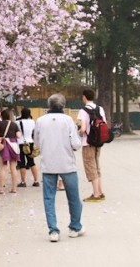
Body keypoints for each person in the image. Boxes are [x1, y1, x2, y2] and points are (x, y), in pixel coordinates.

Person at [34, 93, 84, 242]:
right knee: (73, 197)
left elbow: (37, 142)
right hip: (67, 163)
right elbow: (76, 144)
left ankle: (53, 231)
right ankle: (75, 227)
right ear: (63, 105)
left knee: (49, 198)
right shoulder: (68, 120)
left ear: (49, 105)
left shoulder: (40, 121)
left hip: (48, 163)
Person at [77, 88, 107, 202]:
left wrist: (79, 131)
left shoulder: (83, 110)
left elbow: (83, 128)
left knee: (90, 167)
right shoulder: (100, 108)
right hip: (98, 141)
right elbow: (104, 123)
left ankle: (95, 194)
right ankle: (100, 191)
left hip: (87, 142)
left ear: (84, 97)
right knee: (96, 165)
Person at [0, 109, 21, 194]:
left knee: (3, 168)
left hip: (4, 144)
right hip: (13, 145)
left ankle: (1, 189)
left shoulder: (0, 124)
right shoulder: (14, 124)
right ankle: (14, 188)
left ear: (2, 116)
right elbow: (18, 135)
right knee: (13, 168)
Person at [16, 107, 40, 188]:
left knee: (22, 163)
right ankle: (36, 181)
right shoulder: (33, 122)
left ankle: (23, 182)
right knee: (31, 162)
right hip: (30, 143)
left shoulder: (17, 122)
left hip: (21, 143)